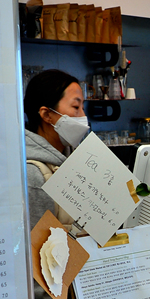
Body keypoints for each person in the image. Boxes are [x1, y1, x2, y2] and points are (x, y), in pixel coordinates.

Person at [24, 69, 90, 229]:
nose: (83, 116)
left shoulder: (75, 161)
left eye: (83, 107)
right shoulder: (33, 175)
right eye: (76, 106)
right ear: (47, 115)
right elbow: (39, 241)